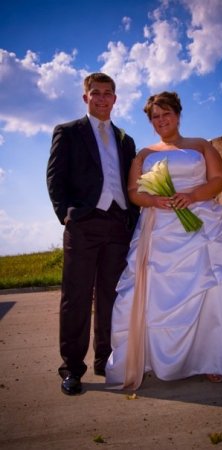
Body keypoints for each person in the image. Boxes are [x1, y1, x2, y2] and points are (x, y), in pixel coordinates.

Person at [105, 91, 222, 390]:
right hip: (159, 226)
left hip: (202, 223)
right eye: (155, 117)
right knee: (154, 293)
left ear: (178, 114)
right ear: (150, 121)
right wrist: (154, 200)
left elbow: (219, 179)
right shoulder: (145, 155)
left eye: (167, 114)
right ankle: (151, 358)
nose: (161, 121)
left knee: (214, 289)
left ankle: (216, 359)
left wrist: (192, 196)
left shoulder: (200, 145)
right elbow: (134, 192)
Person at [46, 72, 139, 395]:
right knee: (76, 297)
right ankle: (72, 368)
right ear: (86, 97)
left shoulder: (126, 139)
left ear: (115, 98)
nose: (102, 98)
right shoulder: (68, 132)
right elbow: (55, 179)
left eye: (108, 93)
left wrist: (132, 220)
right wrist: (67, 216)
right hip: (83, 225)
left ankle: (106, 360)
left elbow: (131, 184)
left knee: (111, 297)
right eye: (95, 93)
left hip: (117, 225)